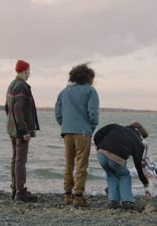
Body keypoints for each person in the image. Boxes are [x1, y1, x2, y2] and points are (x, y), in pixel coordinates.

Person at [55, 63, 99, 207]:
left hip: (67, 131)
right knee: (81, 165)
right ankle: (78, 196)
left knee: (68, 163)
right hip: (83, 131)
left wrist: (65, 124)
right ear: (88, 78)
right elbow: (93, 113)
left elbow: (58, 113)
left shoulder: (64, 92)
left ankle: (67, 194)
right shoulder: (90, 91)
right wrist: (91, 127)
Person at [93, 122, 150, 210]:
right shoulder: (138, 141)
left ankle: (113, 202)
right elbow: (139, 165)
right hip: (116, 157)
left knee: (111, 175)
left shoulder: (115, 127)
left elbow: (98, 134)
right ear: (140, 135)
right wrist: (145, 182)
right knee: (124, 175)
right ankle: (127, 201)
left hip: (101, 153)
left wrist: (100, 146)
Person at [5, 60, 40, 202]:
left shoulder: (12, 84)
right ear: (25, 70)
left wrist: (14, 124)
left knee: (15, 159)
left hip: (12, 128)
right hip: (19, 131)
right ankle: (20, 192)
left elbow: (7, 108)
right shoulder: (21, 86)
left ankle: (15, 188)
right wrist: (24, 130)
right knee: (20, 160)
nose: (30, 73)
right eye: (29, 70)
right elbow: (18, 110)